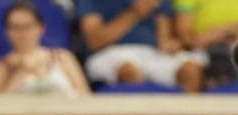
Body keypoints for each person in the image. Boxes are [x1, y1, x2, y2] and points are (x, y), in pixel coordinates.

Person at [77, 0, 207, 92]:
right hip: (110, 52)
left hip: (153, 53)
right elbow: (94, 41)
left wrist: (169, 44)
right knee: (128, 69)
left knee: (191, 69)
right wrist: (135, 13)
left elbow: (164, 34)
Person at [0, 1, 91, 96]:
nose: (22, 33)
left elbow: (85, 97)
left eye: (27, 27)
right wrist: (21, 73)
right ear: (6, 31)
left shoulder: (63, 57)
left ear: (41, 28)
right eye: (15, 27)